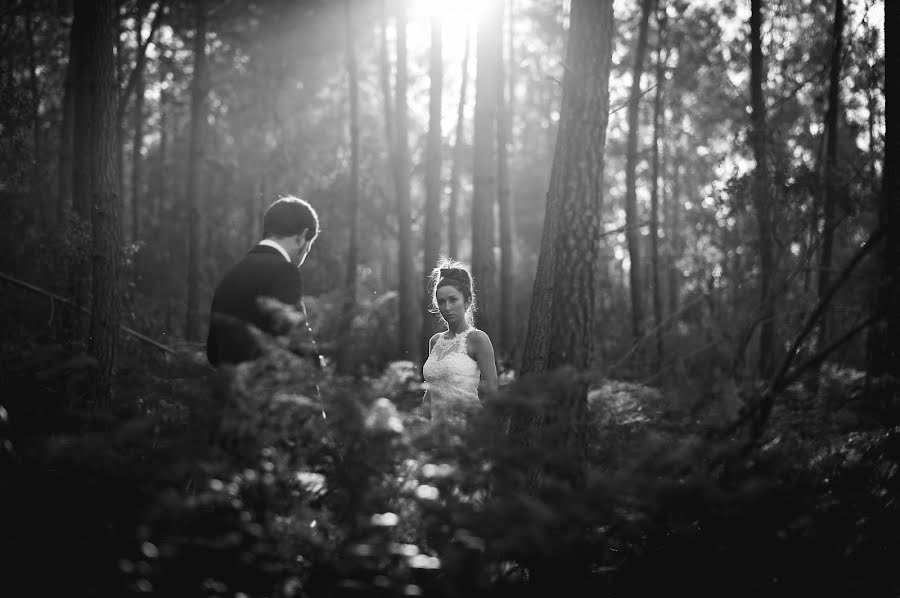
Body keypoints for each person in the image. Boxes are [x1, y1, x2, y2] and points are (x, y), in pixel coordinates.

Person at [206, 195, 319, 367]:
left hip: (228, 388)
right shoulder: (284, 272)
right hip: (268, 389)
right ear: (302, 237)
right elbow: (294, 343)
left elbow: (213, 352)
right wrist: (316, 367)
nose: (304, 255)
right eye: (308, 249)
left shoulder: (231, 274)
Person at [422, 259, 498, 425]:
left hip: (468, 428)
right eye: (441, 302)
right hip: (436, 432)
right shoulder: (435, 341)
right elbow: (430, 391)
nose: (447, 307)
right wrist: (423, 426)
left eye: (453, 300)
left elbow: (492, 392)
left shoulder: (478, 339)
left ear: (467, 301)